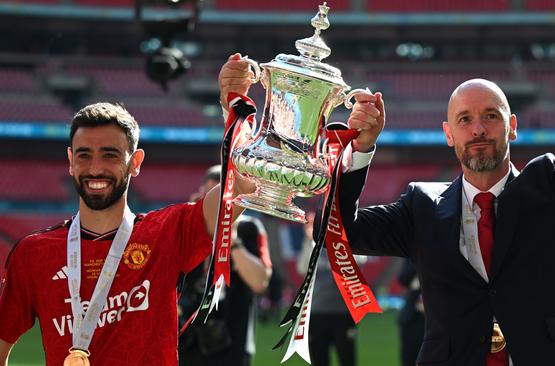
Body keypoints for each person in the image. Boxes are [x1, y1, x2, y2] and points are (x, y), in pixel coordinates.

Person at [332, 1, 555, 365]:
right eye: (464, 119)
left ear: (512, 125)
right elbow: (339, 230)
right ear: (449, 134)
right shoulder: (420, 208)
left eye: (490, 116)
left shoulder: (550, 189)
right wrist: (361, 147)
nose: (478, 128)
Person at [0, 57, 256, 365]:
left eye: (110, 155)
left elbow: (242, 182)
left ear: (135, 163)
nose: (95, 168)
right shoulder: (33, 254)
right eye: (84, 155)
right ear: (70, 161)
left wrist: (233, 106)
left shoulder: (168, 231)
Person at [179, 166, 272, 366]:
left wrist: (232, 239)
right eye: (212, 199)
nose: (220, 206)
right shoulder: (187, 229)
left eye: (225, 198)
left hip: (232, 342)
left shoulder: (249, 228)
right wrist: (194, 223)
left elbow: (260, 283)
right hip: (188, 344)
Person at [296, 212, 363, 366]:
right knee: (319, 359)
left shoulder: (343, 242)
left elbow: (359, 262)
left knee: (347, 359)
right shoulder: (313, 244)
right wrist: (308, 239)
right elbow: (302, 268)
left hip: (343, 312)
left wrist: (343, 238)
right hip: (317, 311)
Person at [396, 260, 425, 366]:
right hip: (412, 316)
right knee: (408, 358)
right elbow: (403, 278)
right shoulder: (414, 251)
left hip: (437, 319)